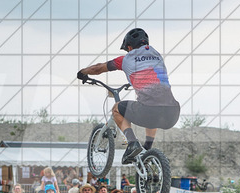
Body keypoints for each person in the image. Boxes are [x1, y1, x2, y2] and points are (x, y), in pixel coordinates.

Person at [77, 28, 180, 165]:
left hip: (149, 111)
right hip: (172, 113)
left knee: (117, 109)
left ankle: (132, 144)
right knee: (152, 107)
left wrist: (82, 73)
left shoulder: (125, 59)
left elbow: (98, 68)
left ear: (130, 47)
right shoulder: (157, 56)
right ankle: (147, 148)